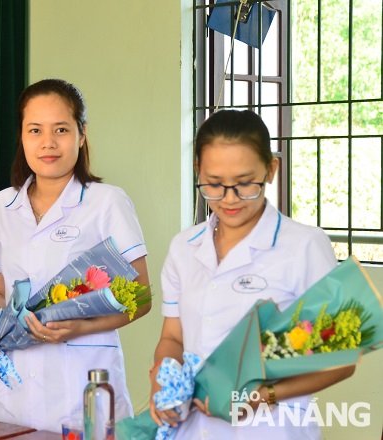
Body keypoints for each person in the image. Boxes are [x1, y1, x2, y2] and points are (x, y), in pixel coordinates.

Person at [0, 78, 151, 432]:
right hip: (14, 395)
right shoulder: (2, 205)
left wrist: (80, 327)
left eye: (61, 129)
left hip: (84, 388)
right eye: (35, 130)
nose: (48, 143)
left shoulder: (107, 202)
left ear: (81, 134)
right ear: (22, 137)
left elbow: (141, 295)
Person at [149, 109, 355, 439]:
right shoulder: (183, 248)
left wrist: (264, 397)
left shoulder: (304, 246)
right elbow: (173, 338)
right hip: (193, 428)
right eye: (214, 185)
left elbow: (341, 359)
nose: (229, 199)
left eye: (246, 184)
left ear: (271, 169)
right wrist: (163, 376)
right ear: (197, 170)